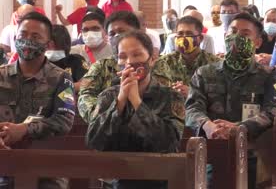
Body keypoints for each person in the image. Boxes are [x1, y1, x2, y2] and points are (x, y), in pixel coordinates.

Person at [185, 13, 276, 188]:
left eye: (245, 34)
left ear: (257, 42)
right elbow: (192, 109)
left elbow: (275, 110)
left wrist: (239, 127)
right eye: (233, 31)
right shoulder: (204, 73)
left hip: (254, 152)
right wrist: (209, 126)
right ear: (225, 36)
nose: (237, 37)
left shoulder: (269, 75)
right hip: (211, 150)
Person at [86, 30, 181, 189]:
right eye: (123, 57)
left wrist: (136, 101)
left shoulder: (170, 96)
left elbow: (167, 143)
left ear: (151, 59)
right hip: (114, 179)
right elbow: (94, 140)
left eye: (137, 55)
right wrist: (121, 100)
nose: (129, 62)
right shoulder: (108, 96)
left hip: (158, 181)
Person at [0, 12, 75, 189]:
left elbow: (64, 121)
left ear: (48, 44)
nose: (27, 40)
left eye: (35, 37)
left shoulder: (61, 79)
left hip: (46, 170)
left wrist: (25, 130)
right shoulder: (1, 75)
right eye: (22, 35)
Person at [78, 11, 171, 124]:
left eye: (122, 31)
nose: (117, 36)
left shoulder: (155, 62)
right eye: (112, 33)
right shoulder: (101, 66)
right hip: (112, 123)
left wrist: (137, 104)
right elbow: (85, 95)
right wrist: (103, 114)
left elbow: (162, 96)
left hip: (150, 121)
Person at [154, 16, 219, 99]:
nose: (184, 38)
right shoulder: (163, 63)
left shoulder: (215, 64)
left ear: (200, 38)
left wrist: (193, 93)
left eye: (189, 34)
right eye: (180, 34)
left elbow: (219, 98)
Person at [46, 25, 89, 91]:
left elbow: (87, 83)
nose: (50, 48)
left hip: (71, 98)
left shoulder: (76, 60)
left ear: (63, 44)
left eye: (54, 44)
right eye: (47, 45)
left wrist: (61, 89)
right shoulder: (40, 62)